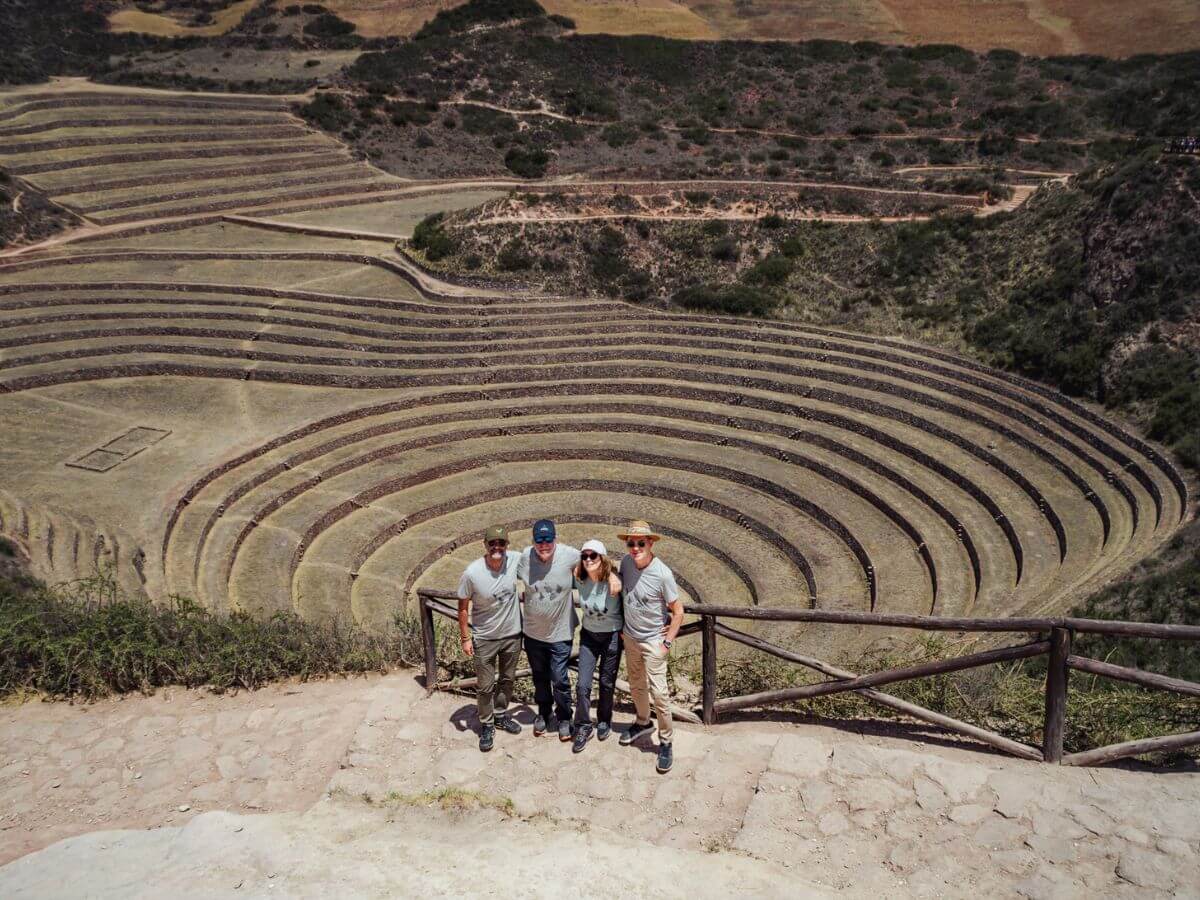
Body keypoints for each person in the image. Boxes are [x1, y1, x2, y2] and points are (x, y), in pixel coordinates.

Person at [617, 520, 684, 774]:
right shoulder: (625, 563)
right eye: (631, 543)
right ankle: (643, 722)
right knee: (636, 684)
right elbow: (621, 588)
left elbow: (678, 611)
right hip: (631, 639)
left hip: (654, 642)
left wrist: (666, 643)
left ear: (651, 543)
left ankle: (666, 741)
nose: (635, 548)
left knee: (660, 693)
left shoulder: (662, 573)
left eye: (640, 543)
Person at [457, 525, 524, 753]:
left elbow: (544, 558)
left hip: (512, 636)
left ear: (507, 545)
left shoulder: (515, 560)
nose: (497, 547)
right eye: (492, 543)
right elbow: (463, 608)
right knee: (485, 686)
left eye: (501, 543)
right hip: (485, 638)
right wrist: (465, 637)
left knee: (507, 679)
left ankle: (500, 715)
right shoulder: (472, 573)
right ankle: (486, 725)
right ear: (485, 545)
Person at [517, 518, 581, 741]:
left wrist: (612, 578)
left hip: (561, 633)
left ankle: (564, 717)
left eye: (548, 540)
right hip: (533, 632)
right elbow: (501, 570)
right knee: (539, 677)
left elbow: (597, 562)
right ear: (533, 541)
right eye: (539, 540)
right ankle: (543, 713)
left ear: (555, 538)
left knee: (560, 678)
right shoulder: (524, 558)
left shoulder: (569, 555)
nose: (544, 545)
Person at [570, 539, 623, 753]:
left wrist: (611, 574)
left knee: (606, 683)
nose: (588, 559)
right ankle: (583, 725)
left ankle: (604, 720)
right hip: (589, 637)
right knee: (583, 685)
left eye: (593, 556)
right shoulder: (579, 578)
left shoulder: (615, 581)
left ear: (602, 558)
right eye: (585, 556)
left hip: (611, 637)